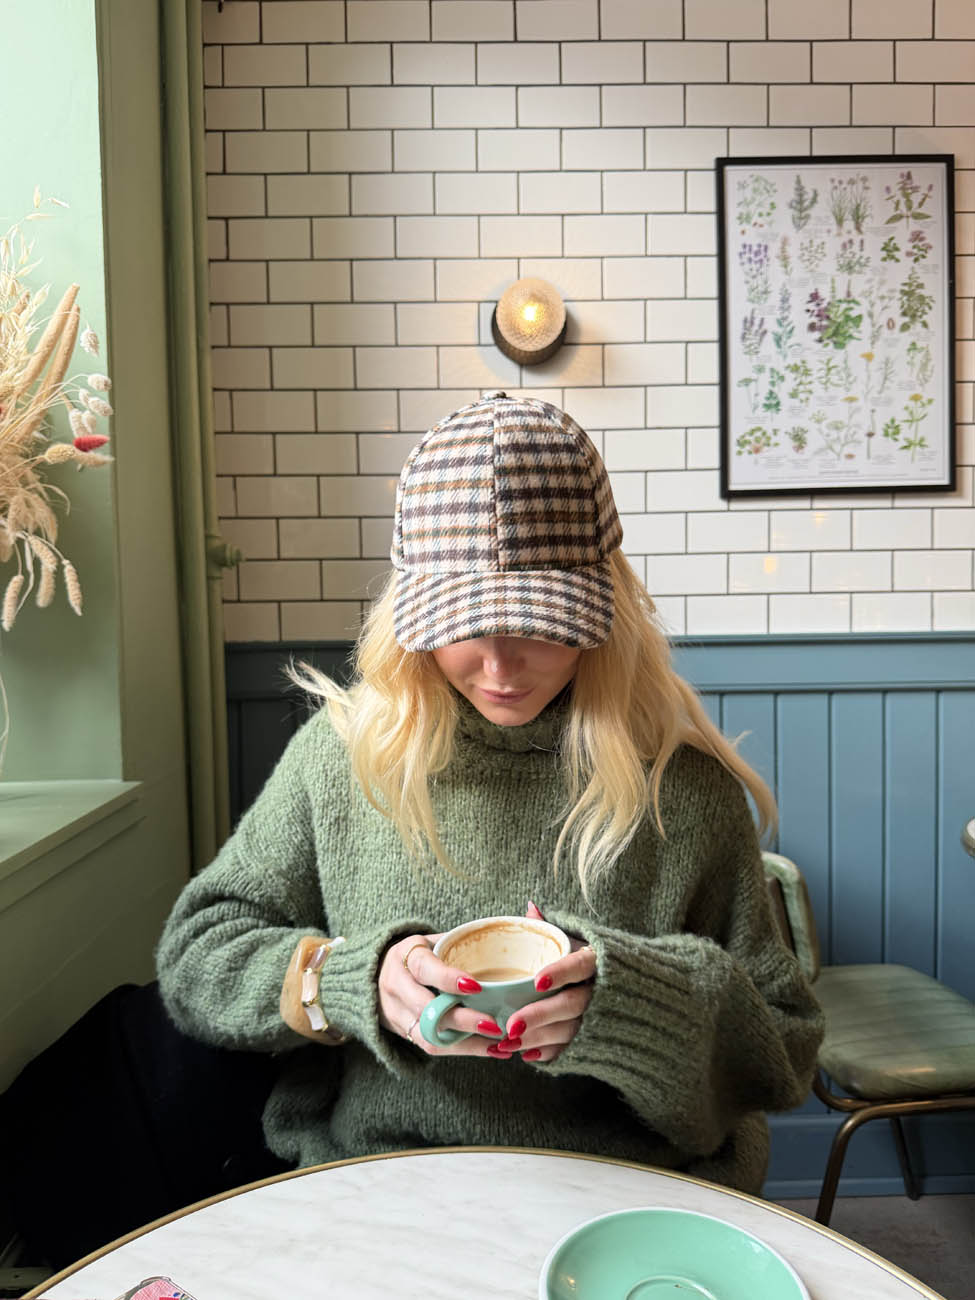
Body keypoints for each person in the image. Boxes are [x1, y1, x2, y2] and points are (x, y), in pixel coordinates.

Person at [157, 391, 823, 1195]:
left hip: (633, 1193)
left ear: (604, 611)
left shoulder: (680, 791)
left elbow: (783, 1048)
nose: (500, 669)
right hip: (380, 1188)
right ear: (408, 616)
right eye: (464, 626)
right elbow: (197, 956)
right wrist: (349, 981)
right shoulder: (338, 763)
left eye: (540, 625)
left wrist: (629, 1005)